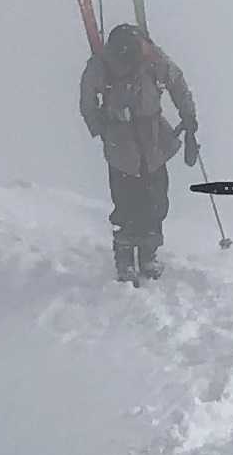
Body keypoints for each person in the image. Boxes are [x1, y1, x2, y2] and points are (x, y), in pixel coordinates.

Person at [77, 18, 200, 283]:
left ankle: (146, 253)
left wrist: (189, 117)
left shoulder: (147, 59)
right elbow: (88, 100)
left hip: (148, 140)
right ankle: (128, 256)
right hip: (124, 142)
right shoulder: (110, 63)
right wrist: (101, 125)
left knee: (153, 199)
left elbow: (177, 83)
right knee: (130, 201)